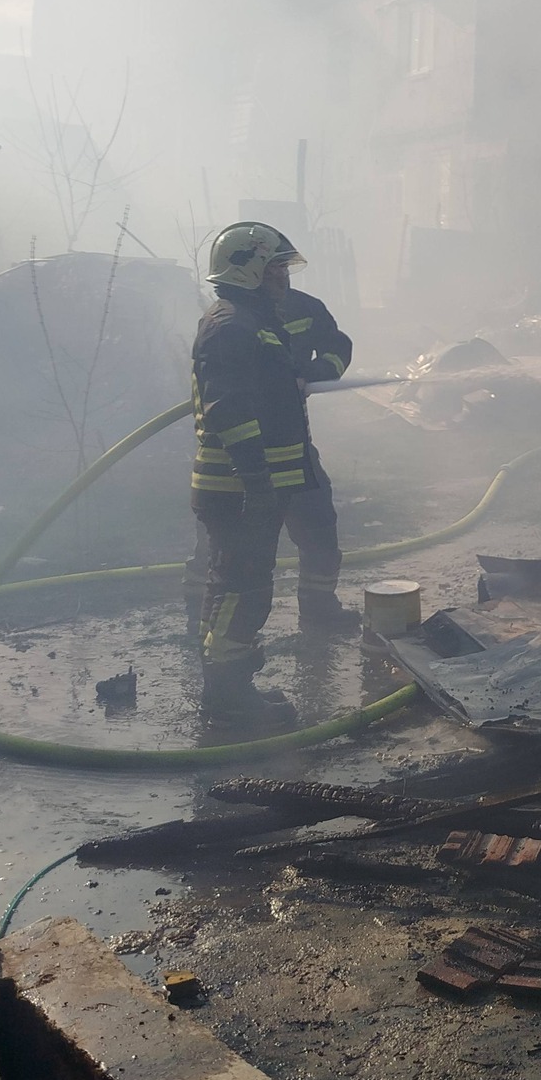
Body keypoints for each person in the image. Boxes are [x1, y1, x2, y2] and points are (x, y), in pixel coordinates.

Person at [189, 222, 360, 725]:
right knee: (240, 587)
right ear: (248, 270)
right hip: (240, 486)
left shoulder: (254, 321)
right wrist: (256, 480)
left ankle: (229, 686)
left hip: (265, 478)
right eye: (274, 268)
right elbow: (229, 412)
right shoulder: (232, 326)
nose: (283, 277)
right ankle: (227, 697)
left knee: (241, 586)